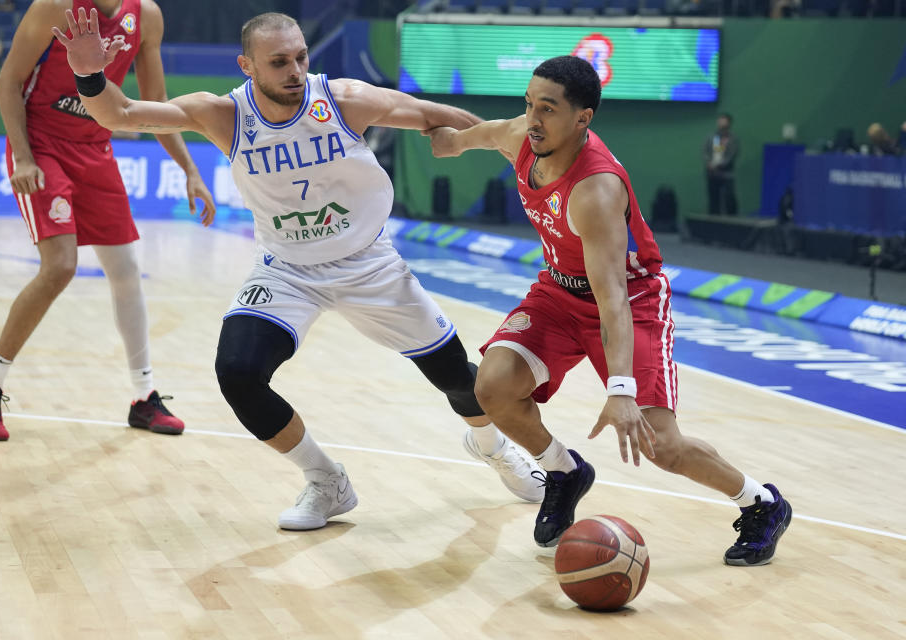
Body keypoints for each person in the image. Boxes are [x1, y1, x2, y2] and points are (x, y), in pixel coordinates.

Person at [52, 8, 545, 530]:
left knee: (456, 379)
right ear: (248, 66)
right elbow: (121, 114)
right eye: (280, 61)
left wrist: (515, 147)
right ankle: (326, 480)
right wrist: (88, 73)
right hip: (287, 269)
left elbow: (430, 115)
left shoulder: (344, 99)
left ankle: (493, 447)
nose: (295, 70)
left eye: (302, 57)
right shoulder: (222, 114)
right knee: (239, 373)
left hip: (368, 263)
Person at [426, 55, 791, 565]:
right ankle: (563, 470)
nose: (532, 118)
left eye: (547, 109)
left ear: (583, 118)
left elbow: (612, 297)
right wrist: (452, 141)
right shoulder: (524, 137)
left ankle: (762, 503)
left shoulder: (594, 189)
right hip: (558, 291)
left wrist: (620, 390)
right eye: (529, 104)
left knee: (661, 445)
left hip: (629, 301)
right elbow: (487, 132)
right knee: (491, 387)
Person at [0, 0, 217, 442]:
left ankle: (143, 396)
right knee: (60, 267)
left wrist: (190, 170)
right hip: (41, 142)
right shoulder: (55, 7)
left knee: (125, 270)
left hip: (95, 148)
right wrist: (22, 156)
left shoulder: (147, 16)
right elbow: (8, 83)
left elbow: (155, 104)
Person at [703, 113, 739, 216]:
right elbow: (705, 151)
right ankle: (713, 220)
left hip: (726, 174)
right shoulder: (711, 137)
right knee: (713, 200)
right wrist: (709, 163)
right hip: (712, 174)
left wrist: (719, 165)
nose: (722, 125)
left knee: (729, 199)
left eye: (724, 123)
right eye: (720, 122)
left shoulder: (733, 139)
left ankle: (732, 221)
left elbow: (732, 155)